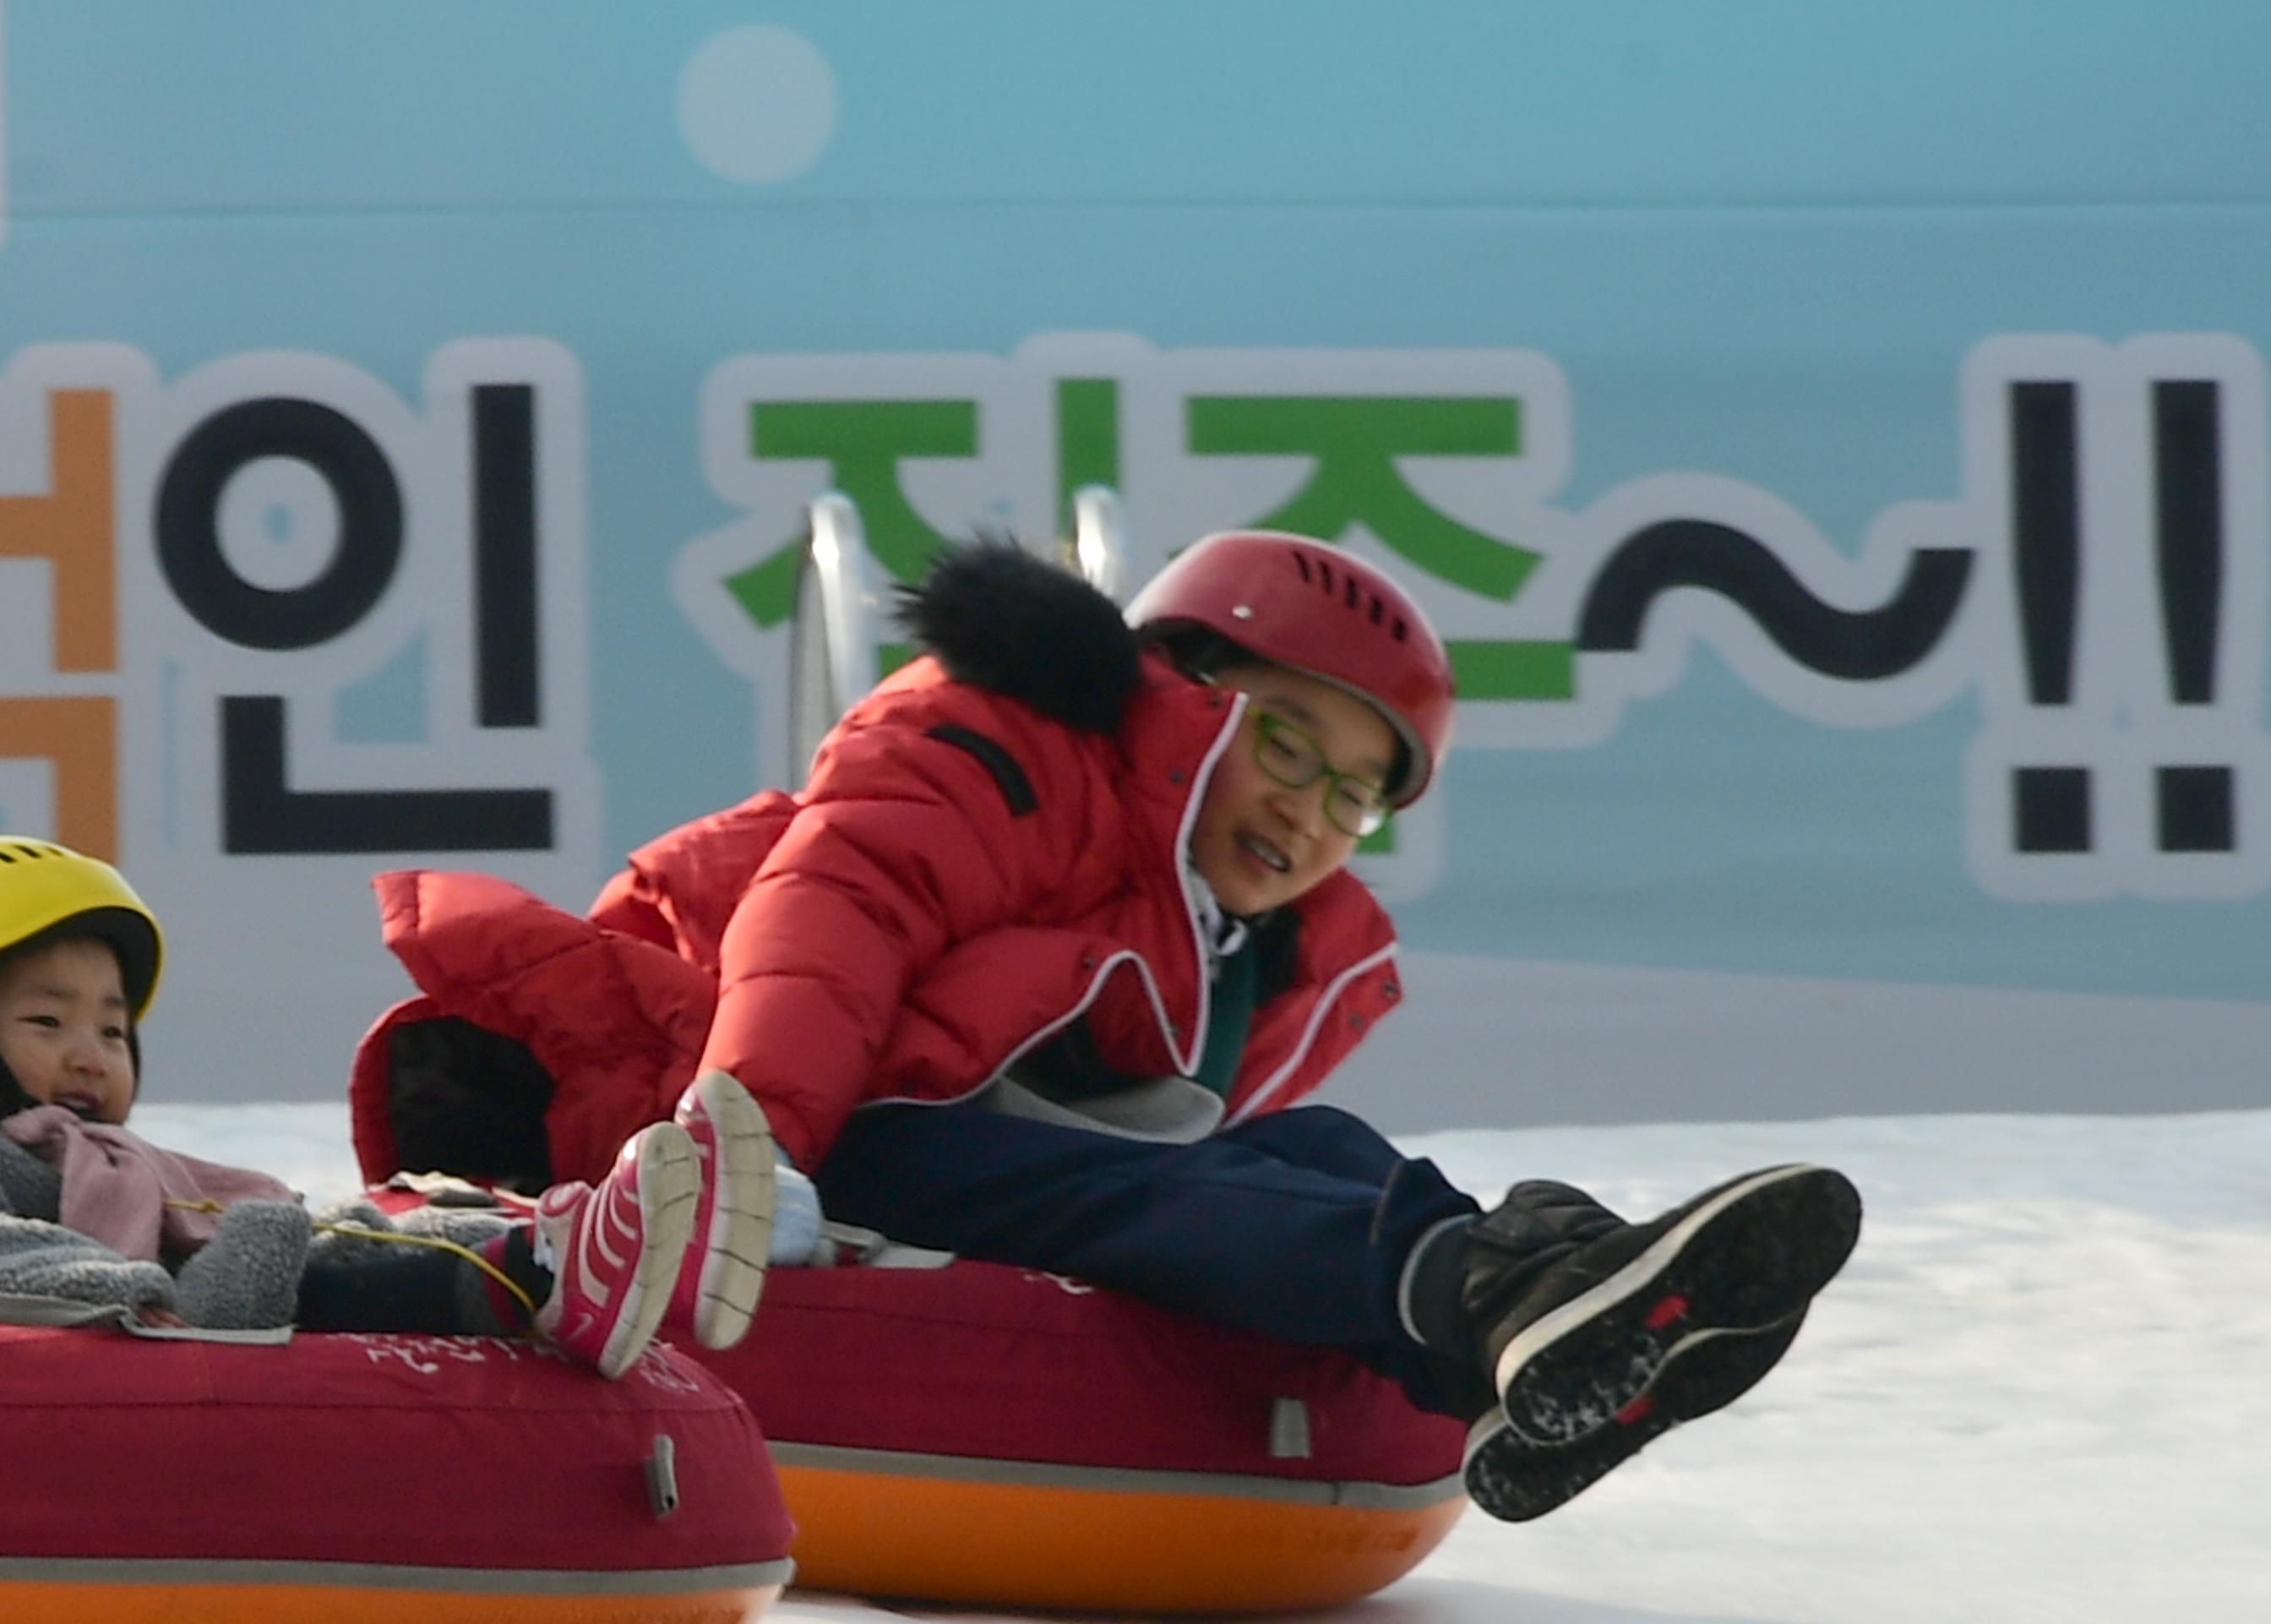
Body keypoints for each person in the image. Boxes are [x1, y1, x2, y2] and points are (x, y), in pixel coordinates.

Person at [356, 531, 1864, 1521]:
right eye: (1287, 743)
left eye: (1357, 792)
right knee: (1155, 1189)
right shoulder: (1008, 745)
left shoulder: (1256, 942)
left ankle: (1539, 1303)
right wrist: (756, 1145)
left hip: (967, 1143)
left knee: (1318, 1146)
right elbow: (833, 919)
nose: (1311, 810)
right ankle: (1489, 1295)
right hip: (822, 1132)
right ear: (1188, 694)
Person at [0, 837, 777, 1378]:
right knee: (301, 1261)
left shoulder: (110, 1164)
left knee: (357, 1229)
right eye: (47, 1019)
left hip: (180, 1329)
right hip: (63, 1369)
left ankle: (582, 1254)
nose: (91, 1053)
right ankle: (554, 1272)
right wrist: (141, 1294)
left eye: (112, 1031)